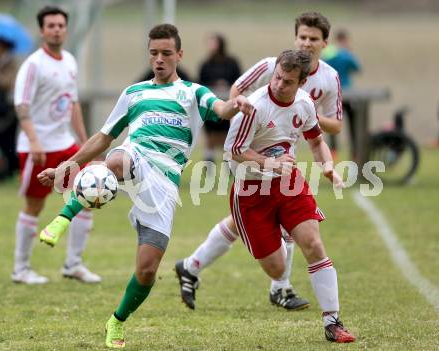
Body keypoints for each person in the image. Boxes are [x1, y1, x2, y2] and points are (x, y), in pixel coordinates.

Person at [37, 24, 253, 349]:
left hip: (164, 183)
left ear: (179, 54)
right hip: (136, 153)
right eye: (154, 53)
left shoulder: (193, 93)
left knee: (148, 269)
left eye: (167, 53)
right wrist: (66, 167)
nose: (160, 59)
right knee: (115, 160)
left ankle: (116, 321)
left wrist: (236, 103)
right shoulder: (134, 93)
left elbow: (220, 109)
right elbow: (103, 137)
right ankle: (62, 219)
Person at [176, 11, 342, 311]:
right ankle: (279, 285)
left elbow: (335, 126)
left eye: (313, 39)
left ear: (323, 43)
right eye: (302, 36)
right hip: (250, 150)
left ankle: (193, 267)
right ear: (295, 37)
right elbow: (237, 91)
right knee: (256, 219)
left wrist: (305, 120)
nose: (306, 43)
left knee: (273, 223)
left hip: (284, 152)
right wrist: (248, 113)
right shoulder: (271, 66)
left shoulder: (329, 78)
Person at [226, 49, 355, 343]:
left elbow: (317, 141)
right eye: (277, 78)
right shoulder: (255, 107)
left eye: (287, 82)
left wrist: (328, 167)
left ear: (301, 83)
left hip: (288, 183)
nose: (278, 85)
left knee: (313, 243)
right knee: (277, 268)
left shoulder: (305, 104)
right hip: (250, 191)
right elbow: (235, 151)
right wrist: (269, 163)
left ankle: (333, 322)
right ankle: (276, 234)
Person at [12, 6, 101, 284]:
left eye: (61, 25)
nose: (56, 30)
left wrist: (85, 143)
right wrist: (35, 141)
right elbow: (21, 106)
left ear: (66, 28)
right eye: (51, 25)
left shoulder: (70, 62)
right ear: (42, 30)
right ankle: (21, 269)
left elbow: (72, 104)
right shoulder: (33, 65)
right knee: (34, 206)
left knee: (88, 196)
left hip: (66, 146)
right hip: (37, 148)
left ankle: (73, 264)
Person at [198, 33, 241, 167]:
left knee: (227, 136)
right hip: (212, 106)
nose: (211, 46)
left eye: (213, 42)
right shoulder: (205, 64)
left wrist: (226, 84)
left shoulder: (232, 63)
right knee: (210, 138)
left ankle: (228, 165)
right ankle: (208, 166)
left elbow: (239, 80)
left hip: (228, 104)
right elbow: (200, 82)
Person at [322, 29, 361, 159]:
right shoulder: (346, 54)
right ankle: (355, 150)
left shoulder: (328, 53)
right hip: (348, 93)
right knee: (353, 122)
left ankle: (333, 152)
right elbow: (357, 68)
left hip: (334, 93)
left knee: (332, 123)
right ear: (345, 39)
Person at [0, 37, 19, 179]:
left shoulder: (12, 63)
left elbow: (8, 82)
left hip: (8, 110)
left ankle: (11, 171)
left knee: (8, 142)